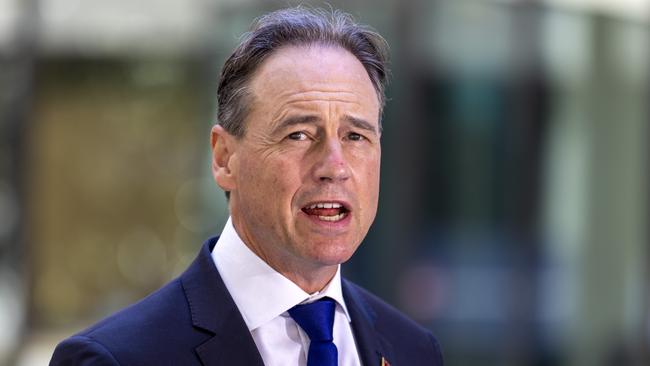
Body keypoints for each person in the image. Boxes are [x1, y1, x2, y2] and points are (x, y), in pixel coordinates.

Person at [50, 7, 443, 366]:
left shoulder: (413, 350)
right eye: (300, 135)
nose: (334, 167)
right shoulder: (115, 359)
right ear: (224, 158)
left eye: (356, 137)